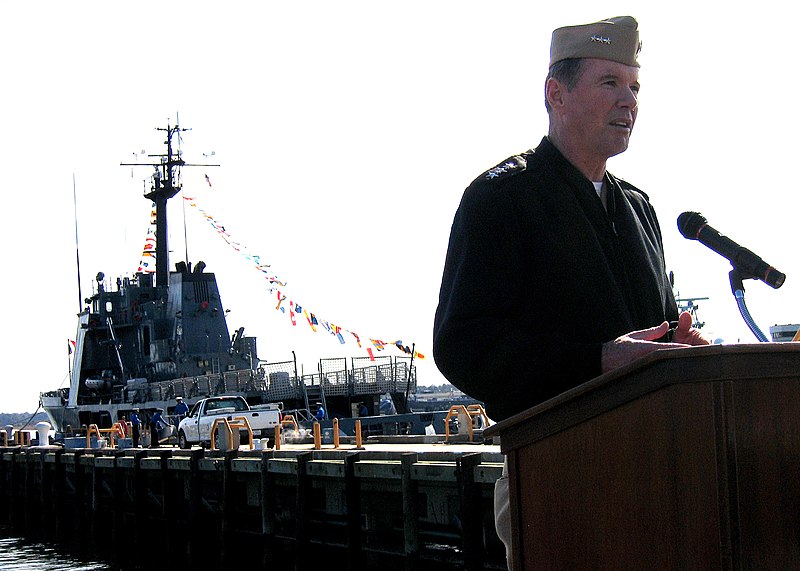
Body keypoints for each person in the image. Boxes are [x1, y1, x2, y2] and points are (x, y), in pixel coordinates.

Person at [432, 15, 709, 563]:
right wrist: (599, 360)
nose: (628, 101)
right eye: (609, 83)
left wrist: (678, 350)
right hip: (557, 479)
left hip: (658, 478)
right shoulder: (502, 199)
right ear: (555, 94)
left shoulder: (638, 209)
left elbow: (652, 337)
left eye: (634, 87)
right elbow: (462, 346)